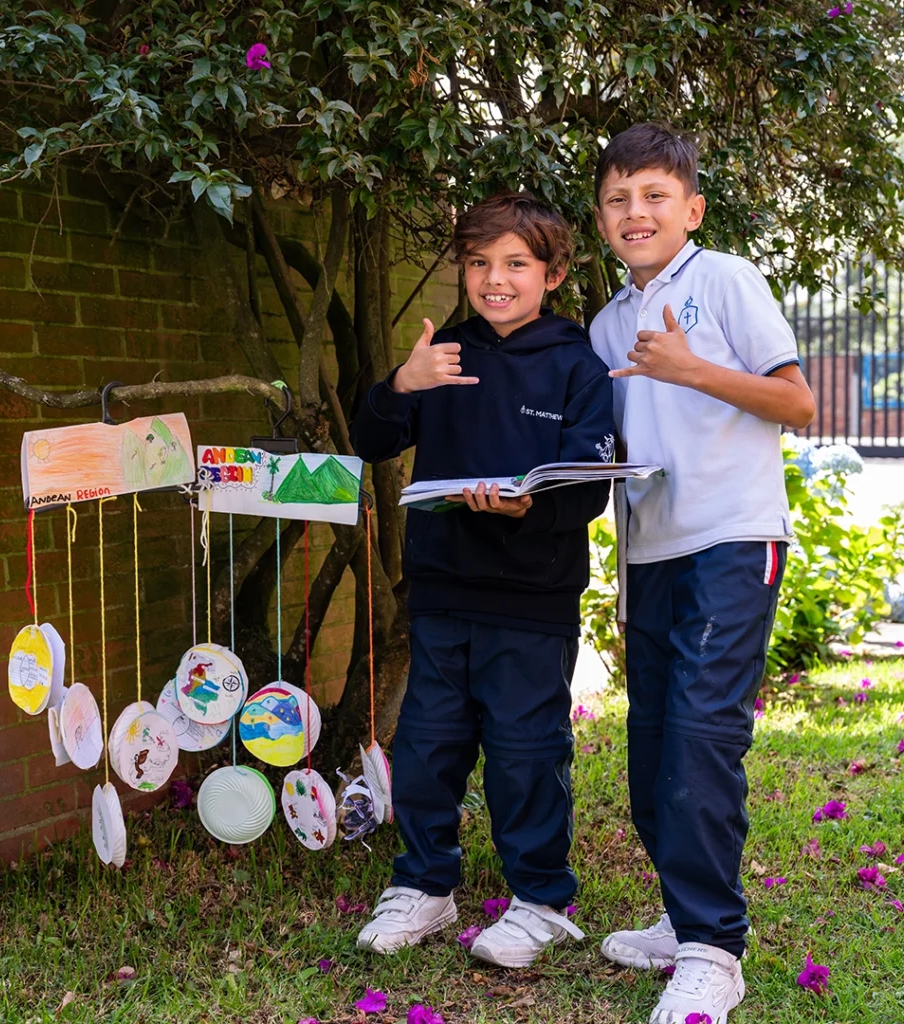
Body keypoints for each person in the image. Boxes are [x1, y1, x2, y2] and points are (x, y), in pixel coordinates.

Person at [350, 191, 615, 968]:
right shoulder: (444, 356)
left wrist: (526, 506)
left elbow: (591, 488)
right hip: (441, 590)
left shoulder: (578, 364)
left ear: (554, 273)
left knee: (526, 750)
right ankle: (426, 886)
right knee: (429, 745)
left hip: (533, 599)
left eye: (515, 264)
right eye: (478, 263)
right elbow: (372, 440)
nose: (494, 279)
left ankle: (540, 899)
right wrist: (404, 383)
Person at [588, 122, 816, 1024]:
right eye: (616, 198)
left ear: (692, 209)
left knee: (698, 737)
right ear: (601, 217)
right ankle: (684, 917)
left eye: (652, 196)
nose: (634, 212)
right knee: (651, 752)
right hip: (649, 554)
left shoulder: (725, 280)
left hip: (731, 538)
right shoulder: (607, 320)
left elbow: (796, 401)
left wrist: (693, 368)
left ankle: (715, 950)